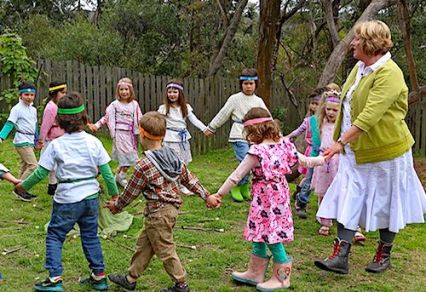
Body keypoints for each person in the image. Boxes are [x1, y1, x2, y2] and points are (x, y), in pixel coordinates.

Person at [314, 20, 426, 275]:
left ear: (369, 44)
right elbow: (347, 104)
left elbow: (369, 116)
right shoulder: (360, 67)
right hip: (355, 152)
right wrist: (342, 143)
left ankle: (383, 254)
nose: (352, 43)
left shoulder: (390, 73)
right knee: (347, 196)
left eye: (356, 39)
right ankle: (340, 255)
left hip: (387, 153)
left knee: (389, 202)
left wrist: (339, 143)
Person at [210, 107, 324, 291]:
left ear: (254, 131)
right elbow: (306, 161)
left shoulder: (257, 152)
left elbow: (236, 176)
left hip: (267, 199)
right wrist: (324, 158)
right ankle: (255, 273)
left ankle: (282, 278)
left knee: (272, 235)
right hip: (277, 196)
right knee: (259, 230)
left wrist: (219, 194)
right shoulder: (285, 144)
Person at [105, 111, 220, 292]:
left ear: (141, 134)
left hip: (158, 214)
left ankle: (181, 284)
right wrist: (207, 195)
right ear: (164, 135)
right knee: (145, 244)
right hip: (170, 211)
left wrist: (116, 205)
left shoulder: (143, 165)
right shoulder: (173, 156)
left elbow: (130, 192)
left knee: (165, 249)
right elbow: (189, 179)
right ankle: (131, 278)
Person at [16, 92, 119, 291]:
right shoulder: (94, 142)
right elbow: (107, 173)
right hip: (91, 198)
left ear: (59, 120)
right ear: (84, 118)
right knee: (90, 236)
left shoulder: (56, 145)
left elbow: (39, 173)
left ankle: (55, 279)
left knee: (55, 235)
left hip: (66, 200)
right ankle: (99, 277)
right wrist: (115, 196)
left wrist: (22, 186)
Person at [205, 68, 268, 202]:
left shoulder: (258, 101)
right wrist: (211, 127)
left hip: (255, 136)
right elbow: (223, 114)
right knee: (245, 161)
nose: (249, 86)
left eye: (251, 83)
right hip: (239, 134)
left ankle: (244, 187)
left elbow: (267, 118)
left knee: (253, 163)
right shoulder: (235, 99)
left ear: (255, 84)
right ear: (241, 84)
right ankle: (236, 187)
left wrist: (276, 134)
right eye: (246, 84)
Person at [88, 77, 142, 188]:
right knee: (128, 157)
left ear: (130, 90)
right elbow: (106, 117)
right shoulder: (115, 105)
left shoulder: (134, 104)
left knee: (129, 157)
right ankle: (120, 177)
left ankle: (118, 176)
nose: (124, 92)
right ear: (118, 91)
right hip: (120, 135)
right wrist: (97, 125)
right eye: (121, 89)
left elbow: (139, 118)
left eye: (126, 89)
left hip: (130, 135)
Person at [158, 79, 208, 194]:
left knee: (184, 162)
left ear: (180, 93)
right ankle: (173, 184)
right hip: (170, 139)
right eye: (169, 92)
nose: (172, 94)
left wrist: (204, 128)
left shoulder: (185, 107)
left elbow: (194, 120)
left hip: (183, 138)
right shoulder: (164, 108)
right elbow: (157, 121)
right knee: (174, 162)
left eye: (175, 92)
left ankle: (180, 183)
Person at [285, 87, 328, 218]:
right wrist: (285, 138)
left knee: (324, 180)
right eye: (313, 103)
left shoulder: (330, 121)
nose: (315, 106)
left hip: (327, 155)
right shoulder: (309, 121)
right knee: (309, 179)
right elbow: (297, 132)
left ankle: (326, 210)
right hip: (312, 154)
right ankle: (301, 203)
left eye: (318, 104)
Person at [0, 81, 38, 201]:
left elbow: (35, 125)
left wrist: (37, 140)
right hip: (22, 141)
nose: (29, 97)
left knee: (25, 165)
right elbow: (10, 123)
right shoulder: (17, 109)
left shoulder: (33, 110)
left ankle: (21, 190)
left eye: (32, 95)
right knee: (33, 165)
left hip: (30, 140)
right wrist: (1, 136)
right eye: (26, 95)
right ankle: (20, 188)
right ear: (20, 95)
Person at [310, 91, 340, 236]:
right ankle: (325, 221)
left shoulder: (342, 126)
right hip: (323, 161)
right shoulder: (321, 123)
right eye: (328, 109)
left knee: (338, 190)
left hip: (337, 161)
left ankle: (342, 218)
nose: (331, 112)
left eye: (335, 110)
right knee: (323, 191)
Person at [36, 81, 67, 196]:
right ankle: (53, 185)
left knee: (57, 164)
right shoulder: (51, 108)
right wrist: (41, 141)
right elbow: (45, 126)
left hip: (60, 139)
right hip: (52, 141)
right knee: (52, 165)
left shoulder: (57, 106)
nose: (64, 95)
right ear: (54, 93)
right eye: (62, 93)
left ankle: (53, 186)